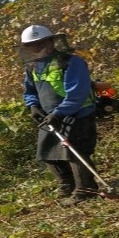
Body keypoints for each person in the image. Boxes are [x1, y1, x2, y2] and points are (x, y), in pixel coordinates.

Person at [20, 24, 100, 206]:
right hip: (50, 115)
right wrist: (33, 106)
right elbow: (30, 90)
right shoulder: (33, 67)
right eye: (31, 45)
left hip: (78, 113)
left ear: (51, 41)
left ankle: (86, 189)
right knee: (47, 151)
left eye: (40, 43)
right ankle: (67, 183)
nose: (36, 48)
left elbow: (77, 93)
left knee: (75, 151)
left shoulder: (70, 62)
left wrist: (59, 113)